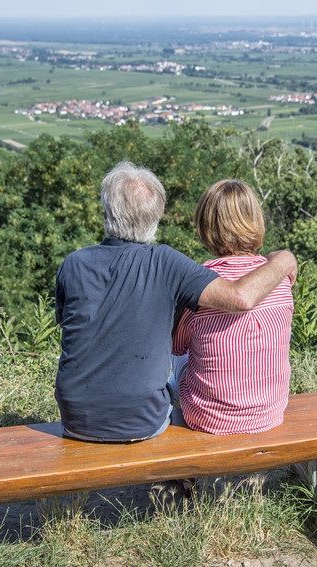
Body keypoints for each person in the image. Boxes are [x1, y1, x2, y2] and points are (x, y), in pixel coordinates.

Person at [55, 162, 297, 443]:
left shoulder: (72, 264)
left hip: (75, 420)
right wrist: (285, 259)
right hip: (253, 413)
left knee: (180, 343)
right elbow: (240, 297)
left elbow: (73, 330)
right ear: (156, 215)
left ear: (106, 211)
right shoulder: (169, 263)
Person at [171, 179, 293, 435]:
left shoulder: (199, 282)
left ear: (206, 225)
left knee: (173, 353)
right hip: (270, 413)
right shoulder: (279, 279)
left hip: (208, 418)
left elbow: (176, 346)